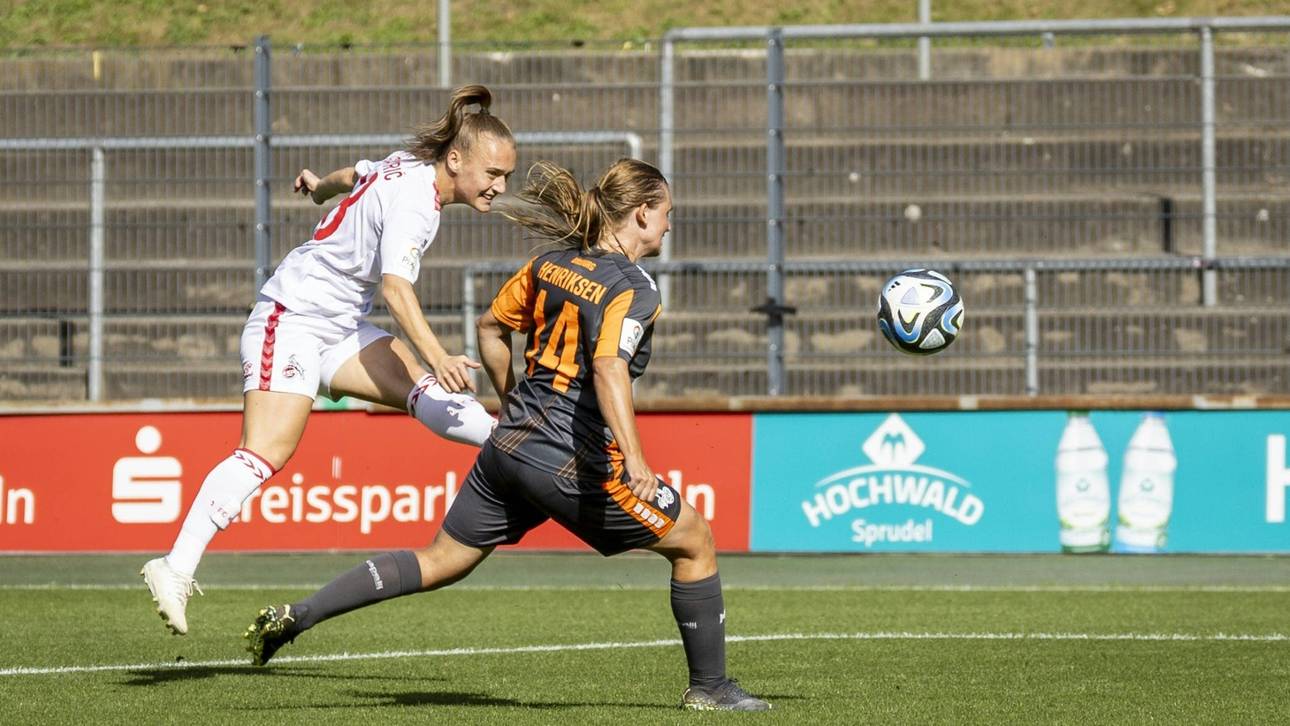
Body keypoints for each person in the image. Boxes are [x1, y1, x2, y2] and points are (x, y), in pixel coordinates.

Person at [242, 159, 770, 711]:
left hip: (508, 446)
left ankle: (300, 614)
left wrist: (513, 397)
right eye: (665, 215)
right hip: (572, 459)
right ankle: (710, 688)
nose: (667, 226)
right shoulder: (635, 289)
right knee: (695, 541)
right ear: (641, 213)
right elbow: (611, 367)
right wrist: (635, 461)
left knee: (440, 560)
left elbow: (491, 327)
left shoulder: (551, 263)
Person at [140, 84, 517, 636]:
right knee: (267, 451)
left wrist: (319, 189)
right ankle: (174, 567)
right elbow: (395, 289)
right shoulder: (417, 202)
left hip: (338, 327)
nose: (500, 187)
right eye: (493, 174)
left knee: (426, 395)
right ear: (456, 160)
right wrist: (437, 354)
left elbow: (353, 174)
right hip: (289, 317)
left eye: (506, 175)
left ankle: (519, 441)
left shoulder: (408, 165)